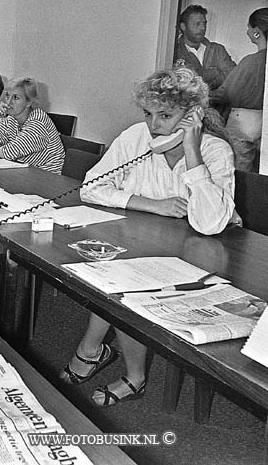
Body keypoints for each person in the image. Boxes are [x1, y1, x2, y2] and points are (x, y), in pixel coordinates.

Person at [60, 67, 238, 406]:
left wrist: (192, 151)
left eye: (166, 115)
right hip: (143, 246)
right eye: (148, 113)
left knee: (123, 280)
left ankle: (112, 363)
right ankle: (108, 360)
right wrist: (150, 204)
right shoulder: (135, 138)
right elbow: (90, 187)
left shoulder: (215, 152)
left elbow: (211, 224)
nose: (154, 124)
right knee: (113, 270)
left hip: (198, 257)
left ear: (193, 115)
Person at [215, 7, 268, 172]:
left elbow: (226, 94)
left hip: (243, 125)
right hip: (263, 125)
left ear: (256, 32)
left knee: (239, 172)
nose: (247, 32)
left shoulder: (252, 62)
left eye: (249, 27)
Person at [0, 77, 64, 173]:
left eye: (16, 98)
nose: (8, 102)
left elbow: (8, 153)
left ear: (29, 102)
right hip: (24, 174)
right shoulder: (11, 119)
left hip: (48, 180)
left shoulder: (38, 123)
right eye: (7, 96)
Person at [173, 4, 236, 93]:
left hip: (217, 104)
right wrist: (215, 72)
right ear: (183, 26)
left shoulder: (218, 50)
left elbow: (233, 76)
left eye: (204, 23)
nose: (202, 28)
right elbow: (184, 84)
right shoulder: (174, 51)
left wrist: (200, 78)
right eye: (197, 24)